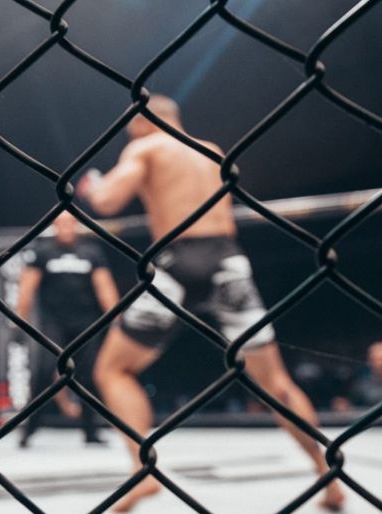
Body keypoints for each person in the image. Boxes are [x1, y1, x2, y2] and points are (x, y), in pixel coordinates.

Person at [78, 95, 344, 512]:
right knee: (275, 383)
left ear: (146, 120)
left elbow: (108, 202)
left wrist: (93, 185)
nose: (129, 132)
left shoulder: (146, 146)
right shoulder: (211, 152)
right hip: (228, 262)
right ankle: (328, 476)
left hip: (177, 264)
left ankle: (141, 472)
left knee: (113, 370)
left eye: (132, 126)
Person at [15, 211, 118, 447]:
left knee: (88, 377)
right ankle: (29, 429)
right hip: (53, 324)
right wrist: (19, 318)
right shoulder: (42, 252)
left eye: (70, 222)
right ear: (54, 226)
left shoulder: (91, 252)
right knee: (43, 373)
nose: (66, 227)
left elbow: (105, 287)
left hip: (86, 323)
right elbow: (27, 287)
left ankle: (90, 431)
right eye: (61, 223)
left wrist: (116, 318)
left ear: (76, 225)